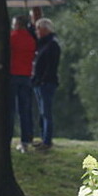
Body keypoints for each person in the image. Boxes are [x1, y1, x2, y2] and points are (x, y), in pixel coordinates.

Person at [31, 18, 60, 150]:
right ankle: (43, 137)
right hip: (39, 82)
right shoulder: (42, 44)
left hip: (46, 83)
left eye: (38, 29)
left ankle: (47, 140)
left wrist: (43, 80)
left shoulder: (52, 45)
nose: (37, 31)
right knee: (42, 112)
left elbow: (51, 65)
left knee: (46, 112)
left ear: (45, 29)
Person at [9, 15, 37, 152]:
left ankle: (7, 137)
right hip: (26, 75)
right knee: (25, 109)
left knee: (10, 109)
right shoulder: (31, 39)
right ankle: (26, 139)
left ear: (17, 24)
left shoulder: (12, 37)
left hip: (12, 74)